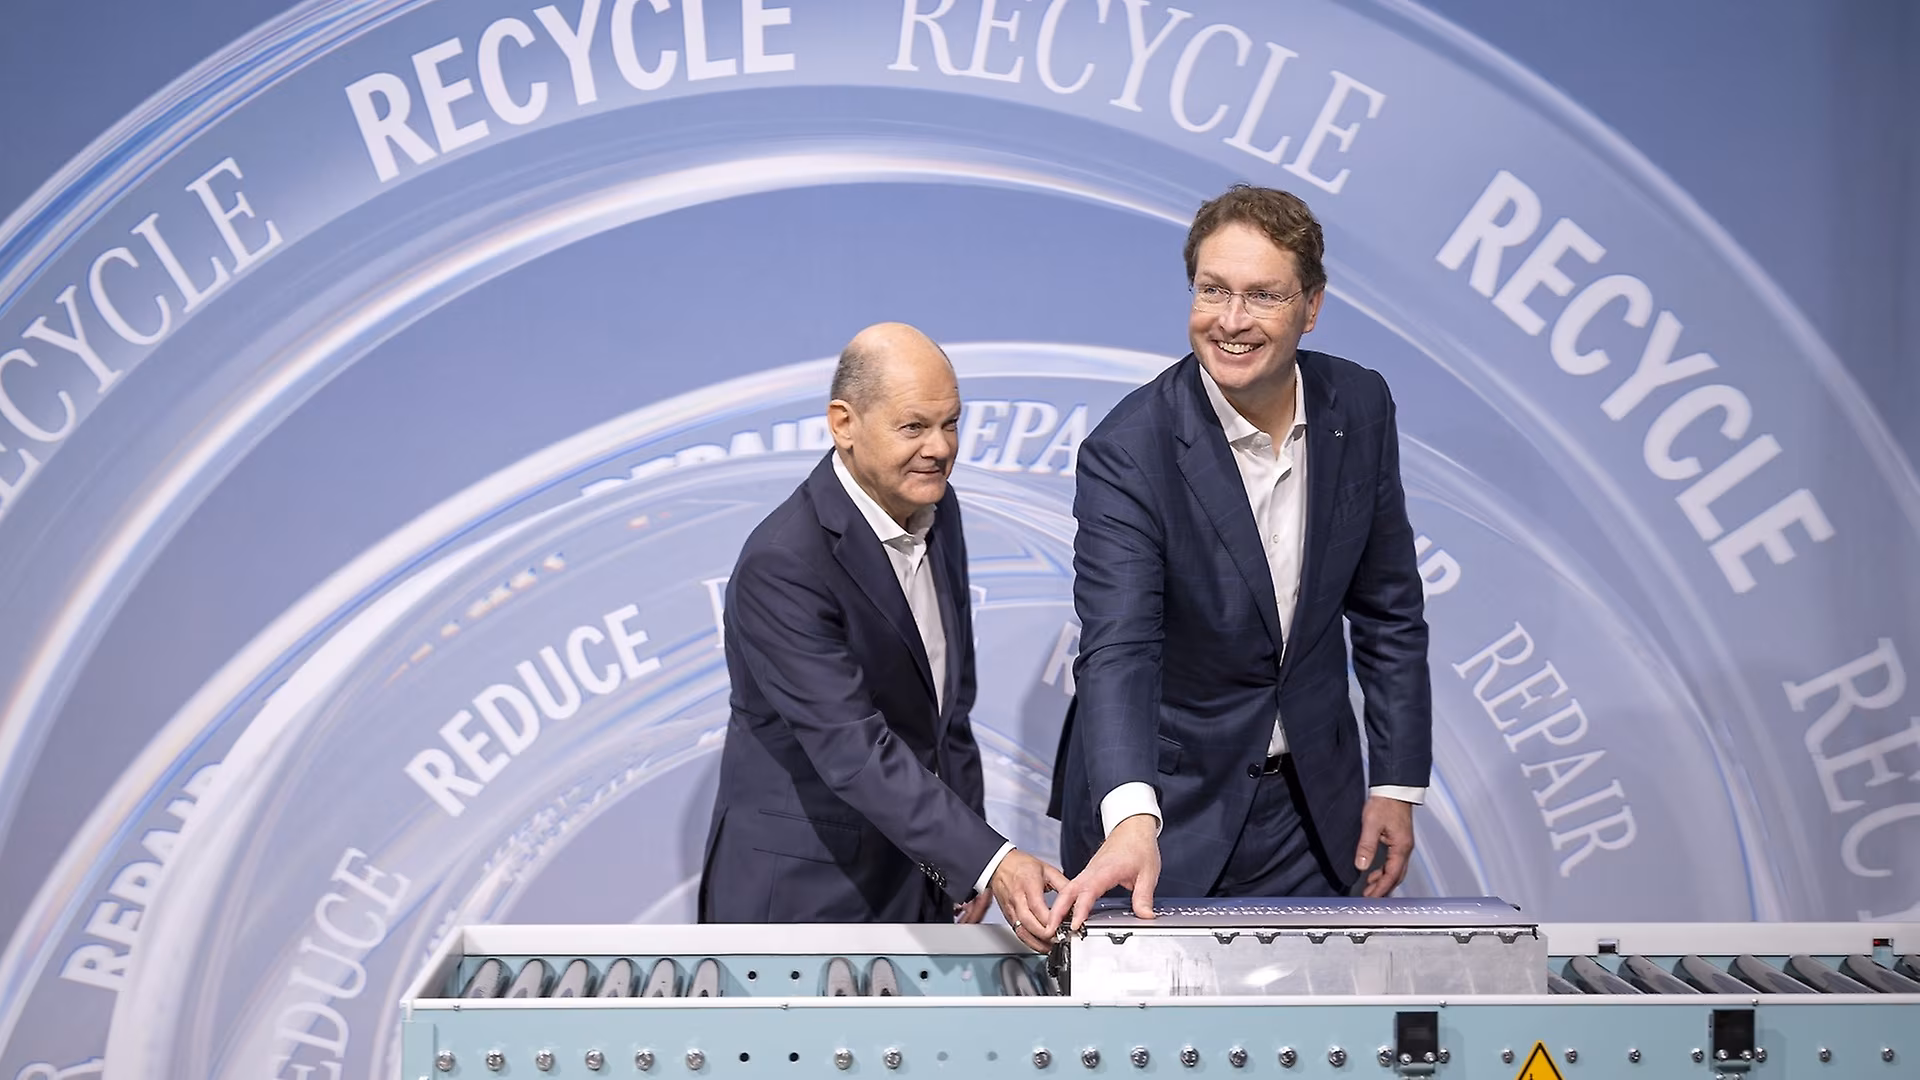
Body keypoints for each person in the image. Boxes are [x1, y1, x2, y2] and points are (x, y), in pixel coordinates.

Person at [1051, 186, 1432, 926]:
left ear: (1312, 307)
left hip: (1314, 817)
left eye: (1262, 296)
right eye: (1213, 290)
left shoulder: (1359, 404)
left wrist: (1395, 781)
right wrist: (1132, 816)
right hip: (1167, 813)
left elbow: (1389, 607)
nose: (1231, 321)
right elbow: (1119, 649)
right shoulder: (1128, 452)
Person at [699, 322, 1064, 951]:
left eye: (951, 424)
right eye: (913, 426)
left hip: (916, 888)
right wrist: (990, 860)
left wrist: (962, 857)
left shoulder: (936, 508)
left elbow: (947, 714)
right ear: (844, 423)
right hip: (801, 901)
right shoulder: (784, 563)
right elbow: (854, 749)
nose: (939, 448)